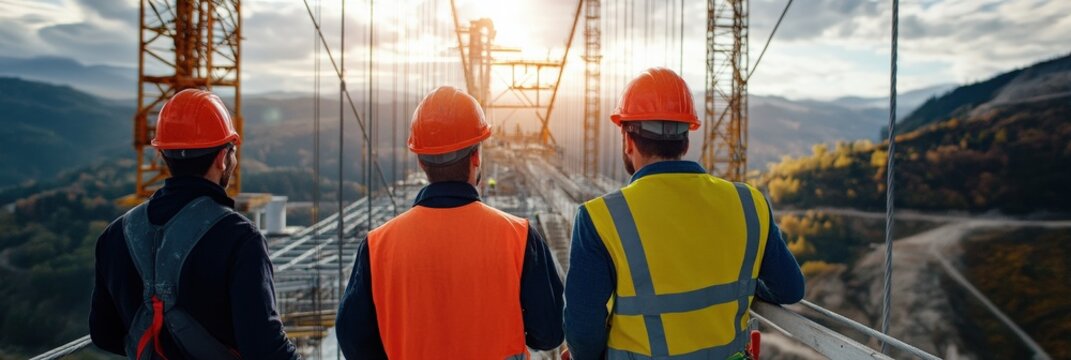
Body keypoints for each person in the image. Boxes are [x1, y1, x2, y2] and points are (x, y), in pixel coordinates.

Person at [564, 68, 805, 359]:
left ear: (628, 140)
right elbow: (790, 290)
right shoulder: (749, 202)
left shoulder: (599, 218)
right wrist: (746, 283)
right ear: (686, 140)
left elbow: (583, 334)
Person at [335, 86, 564, 359]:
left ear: (421, 162)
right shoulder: (520, 237)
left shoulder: (377, 246)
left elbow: (352, 338)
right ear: (476, 156)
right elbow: (549, 333)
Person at [90, 89, 299, 359]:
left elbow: (103, 333)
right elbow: (265, 349)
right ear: (223, 158)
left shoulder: (115, 234)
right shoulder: (240, 238)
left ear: (163, 154)